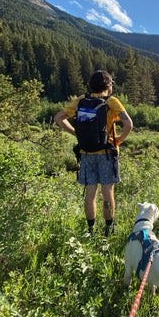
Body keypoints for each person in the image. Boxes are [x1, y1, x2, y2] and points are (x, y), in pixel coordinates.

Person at [54, 70, 133, 236]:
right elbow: (128, 124)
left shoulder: (80, 101)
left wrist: (76, 133)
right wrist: (119, 140)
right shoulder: (112, 101)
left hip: (86, 152)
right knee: (107, 193)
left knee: (90, 193)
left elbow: (58, 118)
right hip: (106, 152)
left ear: (90, 85)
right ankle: (109, 229)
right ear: (108, 85)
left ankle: (91, 231)